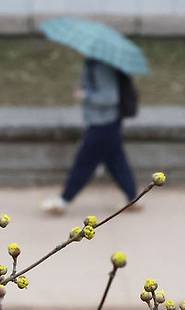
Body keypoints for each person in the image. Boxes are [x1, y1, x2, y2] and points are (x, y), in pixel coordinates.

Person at [42, 58, 138, 214]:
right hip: (108, 122)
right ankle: (133, 198)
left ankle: (64, 200)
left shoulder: (101, 67)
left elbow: (110, 97)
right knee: (115, 160)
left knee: (85, 161)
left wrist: (85, 94)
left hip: (103, 124)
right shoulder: (96, 64)